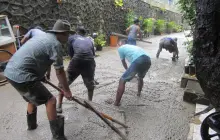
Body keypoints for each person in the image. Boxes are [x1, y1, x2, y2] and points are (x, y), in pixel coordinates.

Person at [4, 19, 75, 140]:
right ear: (61, 33)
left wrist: (42, 75)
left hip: (10, 72)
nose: (68, 38)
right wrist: (67, 91)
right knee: (51, 101)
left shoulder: (39, 33)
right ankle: (57, 136)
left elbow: (40, 53)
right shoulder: (56, 45)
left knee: (32, 98)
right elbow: (60, 72)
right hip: (22, 75)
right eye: (67, 34)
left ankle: (31, 125)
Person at [56, 26, 96, 113]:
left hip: (77, 60)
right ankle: (90, 103)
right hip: (89, 62)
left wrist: (74, 65)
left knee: (64, 83)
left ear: (76, 32)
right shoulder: (89, 40)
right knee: (90, 84)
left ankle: (59, 106)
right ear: (84, 34)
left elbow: (70, 53)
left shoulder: (72, 38)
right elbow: (92, 54)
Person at [114, 39, 151, 106]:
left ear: (121, 43)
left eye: (118, 44)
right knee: (140, 78)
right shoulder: (133, 47)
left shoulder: (121, 48)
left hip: (138, 60)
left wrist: (127, 70)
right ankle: (139, 93)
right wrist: (130, 72)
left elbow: (123, 62)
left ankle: (116, 102)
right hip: (148, 60)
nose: (118, 46)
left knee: (122, 80)